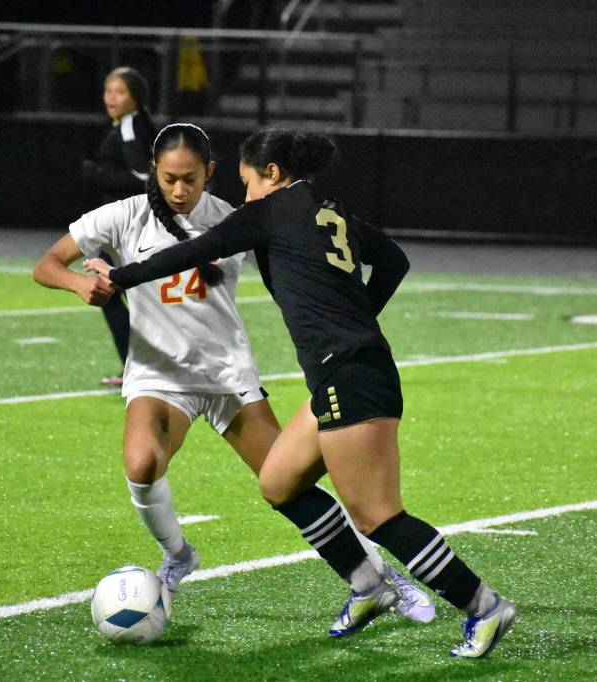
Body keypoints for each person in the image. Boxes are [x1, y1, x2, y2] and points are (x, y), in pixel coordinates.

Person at [98, 128, 516, 658]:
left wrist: (119, 275)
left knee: (377, 515)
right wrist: (359, 316)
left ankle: (484, 606)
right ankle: (368, 586)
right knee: (278, 481)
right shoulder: (329, 209)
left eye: (248, 183)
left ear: (271, 174)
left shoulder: (269, 210)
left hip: (351, 376)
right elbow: (394, 261)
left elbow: (191, 251)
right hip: (346, 371)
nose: (244, 195)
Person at [34, 123, 434, 630]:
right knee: (140, 463)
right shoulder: (123, 215)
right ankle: (177, 554)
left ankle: (376, 578)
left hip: (229, 375)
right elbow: (46, 263)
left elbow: (308, 258)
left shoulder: (240, 216)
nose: (179, 190)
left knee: (288, 484)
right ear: (153, 173)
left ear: (211, 173)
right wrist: (75, 283)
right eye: (168, 179)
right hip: (159, 377)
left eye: (191, 179)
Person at [80, 67, 157, 386]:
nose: (111, 98)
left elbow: (142, 176)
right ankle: (139, 367)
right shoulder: (129, 123)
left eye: (120, 92)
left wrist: (96, 173)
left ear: (135, 97)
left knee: (114, 293)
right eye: (108, 91)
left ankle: (137, 368)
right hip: (125, 224)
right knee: (127, 295)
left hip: (128, 226)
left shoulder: (130, 125)